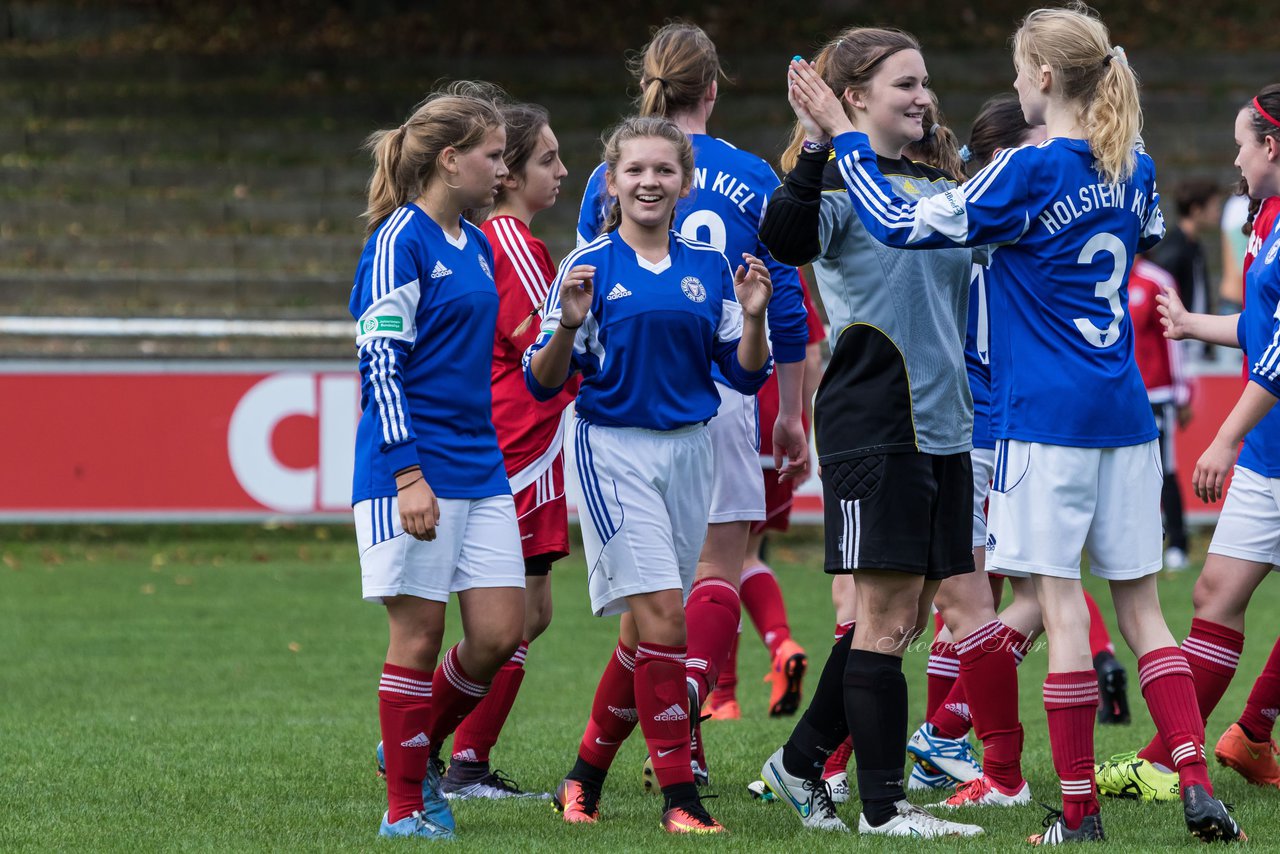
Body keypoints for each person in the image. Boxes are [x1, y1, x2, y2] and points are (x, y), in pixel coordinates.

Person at [784, 4, 1244, 844]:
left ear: (1038, 78)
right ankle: (1194, 779)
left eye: (1016, 69)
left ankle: (1077, 815)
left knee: (1058, 609)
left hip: (1043, 419)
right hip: (1128, 418)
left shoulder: (1026, 169)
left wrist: (840, 136)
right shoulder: (1133, 165)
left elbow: (894, 224)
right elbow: (1128, 231)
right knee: (1145, 614)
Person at [754, 26, 997, 839]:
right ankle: (886, 810)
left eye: (925, 82)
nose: (923, 97)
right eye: (904, 84)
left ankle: (796, 767)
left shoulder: (937, 183)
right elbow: (783, 237)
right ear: (854, 97)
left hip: (945, 427)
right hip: (875, 423)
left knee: (900, 617)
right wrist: (822, 143)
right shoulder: (833, 186)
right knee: (886, 619)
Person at [576, 22, 811, 785]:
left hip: (635, 386)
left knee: (661, 594)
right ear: (714, 88)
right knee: (722, 564)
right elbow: (788, 308)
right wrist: (792, 410)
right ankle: (684, 716)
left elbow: (589, 285)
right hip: (721, 391)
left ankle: (675, 746)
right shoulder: (752, 175)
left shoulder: (603, 179)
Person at [527, 115, 774, 834]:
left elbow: (743, 373)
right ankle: (680, 800)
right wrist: (569, 325)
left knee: (645, 629)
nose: (649, 181)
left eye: (664, 170)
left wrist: (754, 318)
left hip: (691, 453)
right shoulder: (589, 266)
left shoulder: (705, 269)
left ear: (684, 182)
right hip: (613, 452)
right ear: (612, 180)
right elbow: (543, 382)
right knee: (669, 616)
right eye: (635, 170)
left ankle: (581, 781)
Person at [350, 82, 526, 841]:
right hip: (411, 466)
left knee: (499, 632)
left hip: (479, 462)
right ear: (451, 161)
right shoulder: (400, 240)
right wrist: (407, 474)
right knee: (417, 639)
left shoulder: (478, 244)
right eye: (493, 156)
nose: (503, 170)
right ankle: (403, 807)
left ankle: (408, 753)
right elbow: (379, 364)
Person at [1132, 84, 1280, 799]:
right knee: (1215, 595)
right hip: (1269, 447)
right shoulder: (1265, 219)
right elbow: (1263, 333)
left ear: (1271, 146)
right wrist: (1194, 325)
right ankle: (1170, 760)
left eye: (1241, 144)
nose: (1235, 158)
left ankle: (1244, 733)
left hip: (1254, 437)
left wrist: (1222, 438)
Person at [430, 101, 573, 799]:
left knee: (532, 615)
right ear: (510, 173)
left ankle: (458, 757)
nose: (562, 171)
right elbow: (540, 353)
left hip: (531, 445)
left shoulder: (517, 242)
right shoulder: (512, 241)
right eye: (548, 159)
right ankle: (436, 747)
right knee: (509, 618)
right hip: (516, 447)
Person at [705, 273, 825, 721]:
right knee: (747, 554)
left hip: (726, 418)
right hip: (778, 426)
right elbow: (811, 358)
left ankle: (724, 696)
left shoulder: (709, 263)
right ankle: (781, 642)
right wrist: (801, 425)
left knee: (714, 564)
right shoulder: (785, 272)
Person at [1128, 254, 1194, 570]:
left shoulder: (1156, 280)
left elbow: (1174, 339)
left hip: (1156, 393)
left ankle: (1178, 544)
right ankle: (1134, 547)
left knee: (1162, 468)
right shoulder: (1100, 271)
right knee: (1125, 473)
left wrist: (1181, 391)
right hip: (1120, 396)